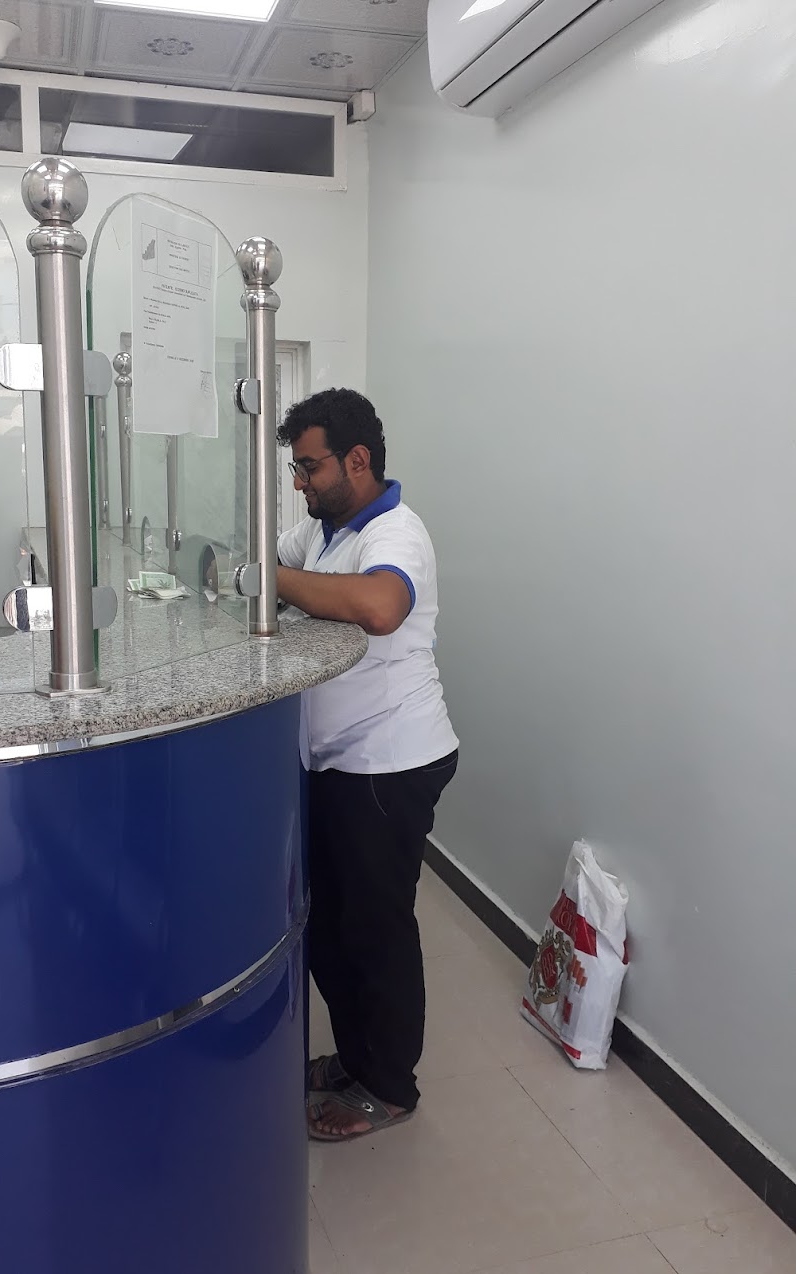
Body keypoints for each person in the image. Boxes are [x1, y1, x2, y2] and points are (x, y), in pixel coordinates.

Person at [276, 387, 458, 1142]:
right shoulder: (323, 531)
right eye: (295, 468)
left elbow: (381, 607)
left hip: (390, 764)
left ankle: (389, 1086)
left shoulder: (397, 532)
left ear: (357, 460)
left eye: (309, 467)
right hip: (337, 764)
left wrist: (268, 584)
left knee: (375, 932)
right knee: (328, 928)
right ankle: (358, 1059)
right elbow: (271, 554)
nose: (300, 482)